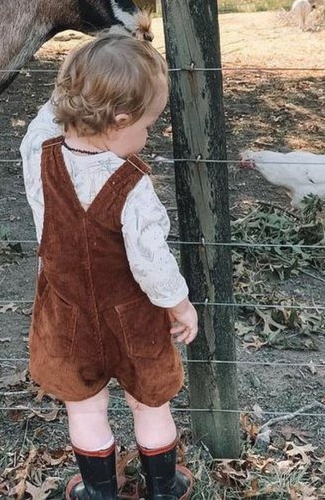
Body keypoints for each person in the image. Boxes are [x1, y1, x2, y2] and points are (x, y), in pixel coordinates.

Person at [19, 33, 198, 500]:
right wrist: (180, 306)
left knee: (85, 408)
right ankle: (164, 487)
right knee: (149, 402)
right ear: (119, 121)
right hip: (133, 317)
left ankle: (99, 491)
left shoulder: (38, 155)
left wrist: (81, 83)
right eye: (147, 124)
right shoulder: (132, 186)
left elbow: (47, 114)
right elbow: (152, 261)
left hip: (67, 315)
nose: (148, 134)